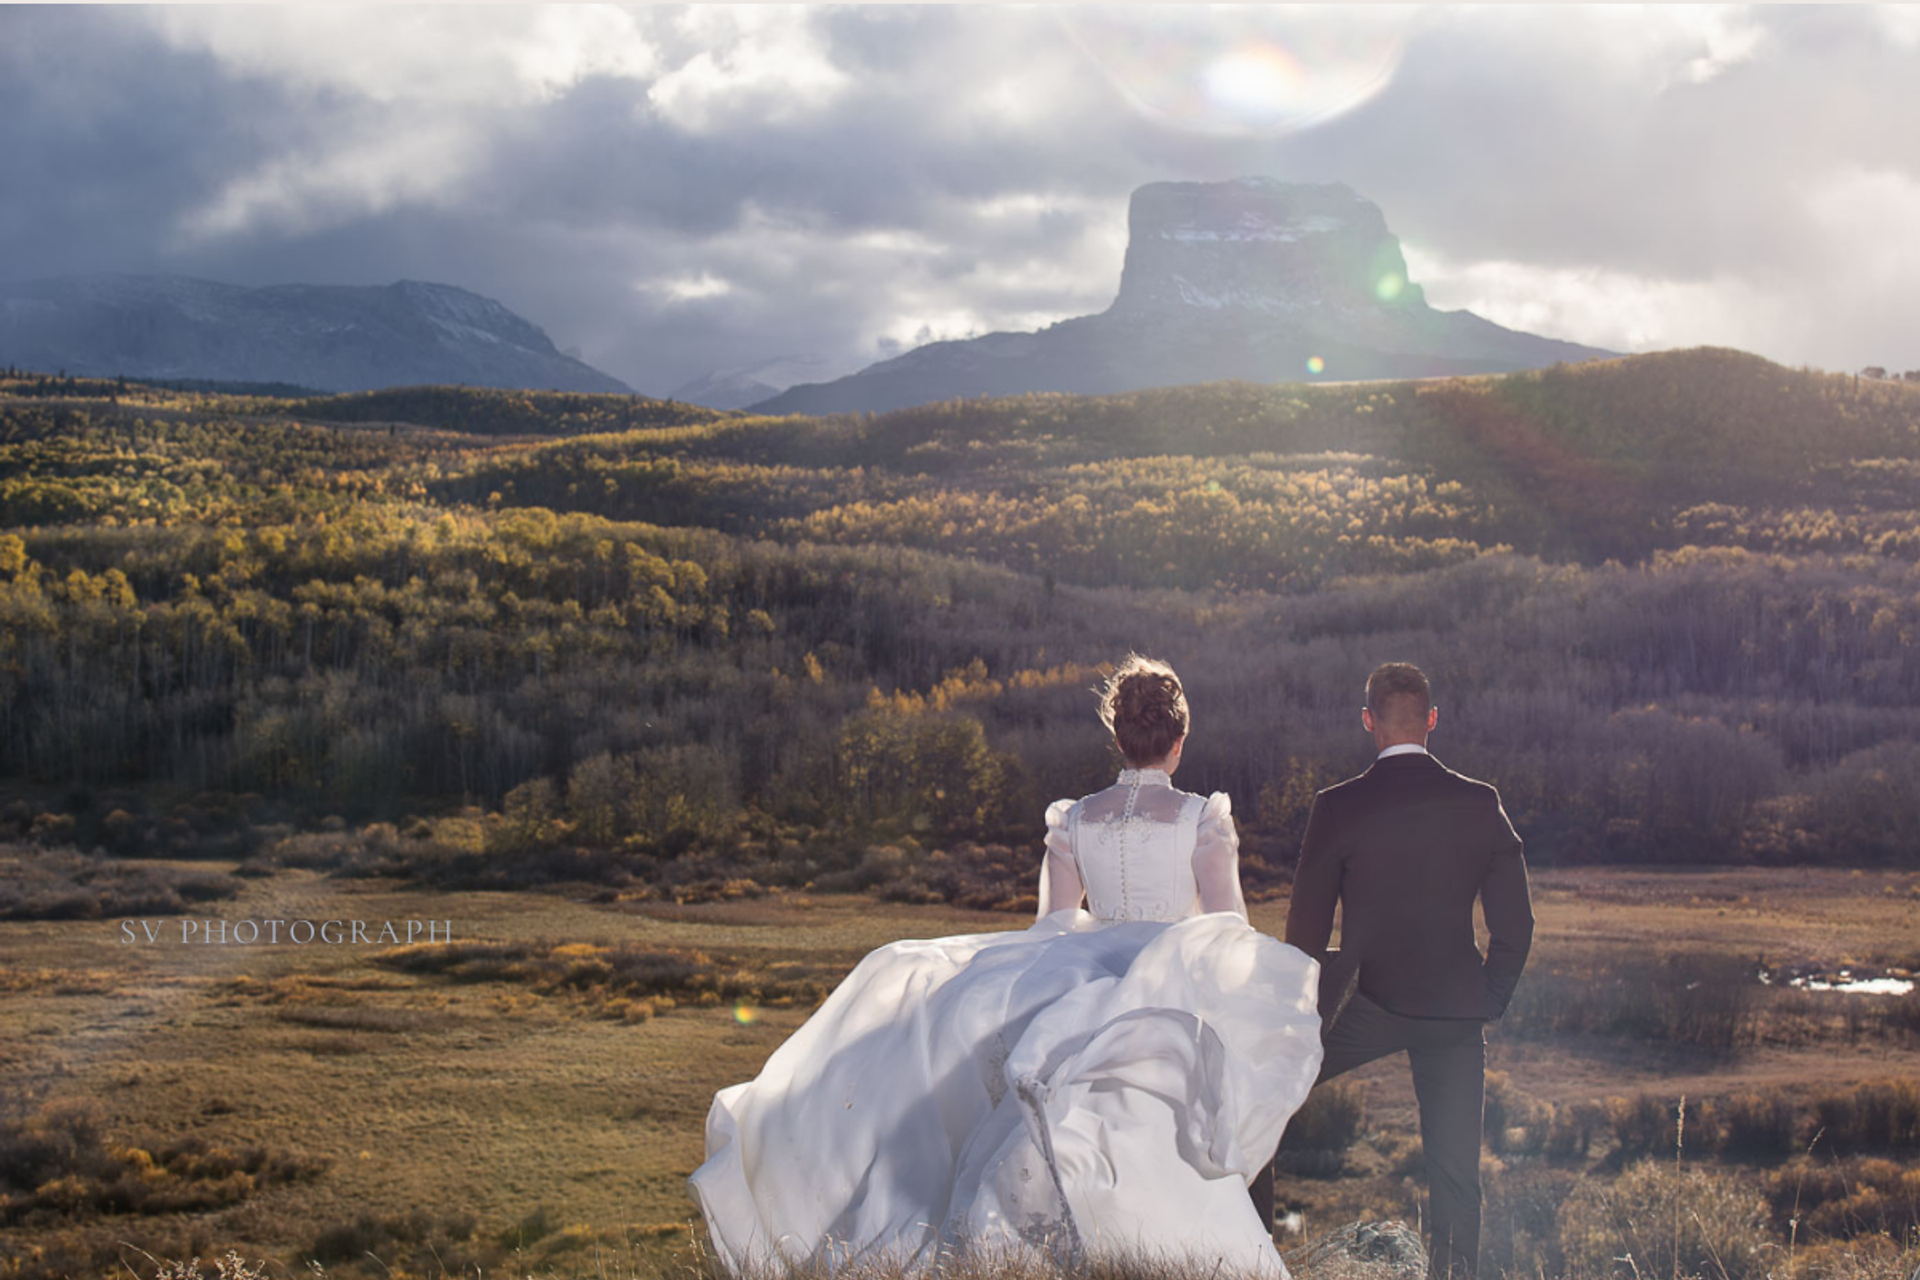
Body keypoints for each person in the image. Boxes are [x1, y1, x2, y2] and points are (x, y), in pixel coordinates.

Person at [690, 654, 1325, 1275]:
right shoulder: (1200, 818)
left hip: (1083, 968)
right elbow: (1224, 928)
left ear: (1117, 736)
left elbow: (1052, 924)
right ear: (1179, 740)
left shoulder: (1074, 820)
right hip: (1163, 981)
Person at [1250, 662, 1534, 1280]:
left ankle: (1253, 1259)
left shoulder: (1338, 807)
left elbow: (1304, 933)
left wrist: (1299, 1018)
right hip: (1457, 1012)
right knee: (1456, 1177)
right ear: (1431, 721)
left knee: (1260, 1109)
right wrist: (1489, 998)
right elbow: (1517, 927)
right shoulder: (1481, 803)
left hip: (1363, 1005)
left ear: (1368, 722)